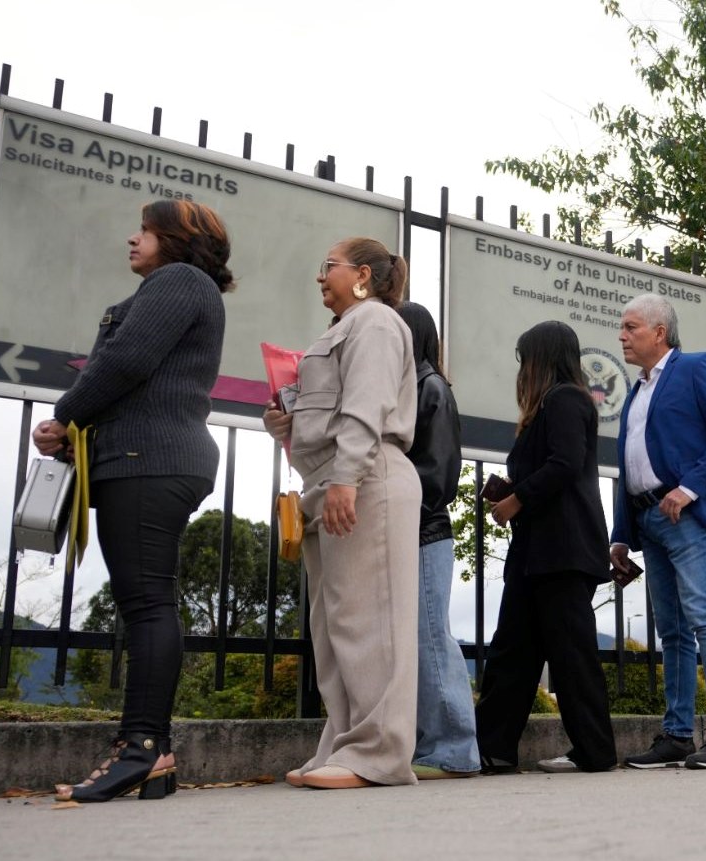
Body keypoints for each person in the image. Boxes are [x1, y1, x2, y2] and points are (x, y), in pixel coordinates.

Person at [35, 200, 232, 803]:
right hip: (149, 457)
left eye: (145, 230)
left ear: (176, 238)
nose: (132, 238)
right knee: (146, 602)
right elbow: (139, 379)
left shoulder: (180, 280)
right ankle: (158, 755)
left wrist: (65, 414)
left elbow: (127, 360)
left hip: (153, 461)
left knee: (147, 604)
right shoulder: (183, 287)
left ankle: (139, 747)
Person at [264, 237, 420, 788]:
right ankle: (346, 744)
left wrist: (346, 477)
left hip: (364, 474)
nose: (319, 277)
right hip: (335, 476)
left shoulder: (374, 321)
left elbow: (367, 404)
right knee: (335, 625)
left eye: (327, 266)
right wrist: (288, 424)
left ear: (361, 274)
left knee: (369, 620)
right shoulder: (347, 328)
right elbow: (337, 410)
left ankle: (378, 753)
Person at [610, 294, 706, 769]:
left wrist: (689, 488)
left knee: (705, 617)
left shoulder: (695, 367)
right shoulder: (637, 389)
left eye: (630, 327)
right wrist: (621, 534)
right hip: (649, 520)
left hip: (686, 514)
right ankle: (676, 735)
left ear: (659, 333)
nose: (622, 336)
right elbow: (629, 464)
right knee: (671, 631)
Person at [476, 321, 618, 773]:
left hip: (562, 550)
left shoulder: (566, 399)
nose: (522, 369)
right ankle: (493, 749)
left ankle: (595, 752)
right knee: (512, 652)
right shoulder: (546, 408)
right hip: (537, 551)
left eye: (525, 359)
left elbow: (565, 464)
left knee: (571, 654)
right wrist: (513, 490)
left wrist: (517, 499)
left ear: (542, 358)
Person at [396, 302, 481, 780]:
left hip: (423, 530)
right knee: (416, 639)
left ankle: (453, 749)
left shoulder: (431, 388)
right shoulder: (412, 387)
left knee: (430, 637)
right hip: (411, 528)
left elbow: (439, 476)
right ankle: (432, 745)